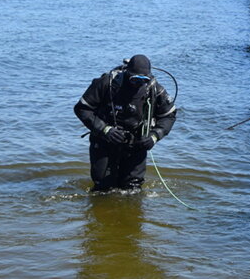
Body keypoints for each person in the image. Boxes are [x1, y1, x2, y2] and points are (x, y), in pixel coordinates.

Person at [74, 54, 176, 191]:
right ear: (127, 73)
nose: (138, 84)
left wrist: (154, 136)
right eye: (135, 79)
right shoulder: (107, 83)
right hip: (105, 141)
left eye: (143, 80)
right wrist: (105, 129)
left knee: (133, 189)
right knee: (103, 187)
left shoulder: (154, 89)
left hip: (136, 144)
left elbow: (169, 116)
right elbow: (82, 109)